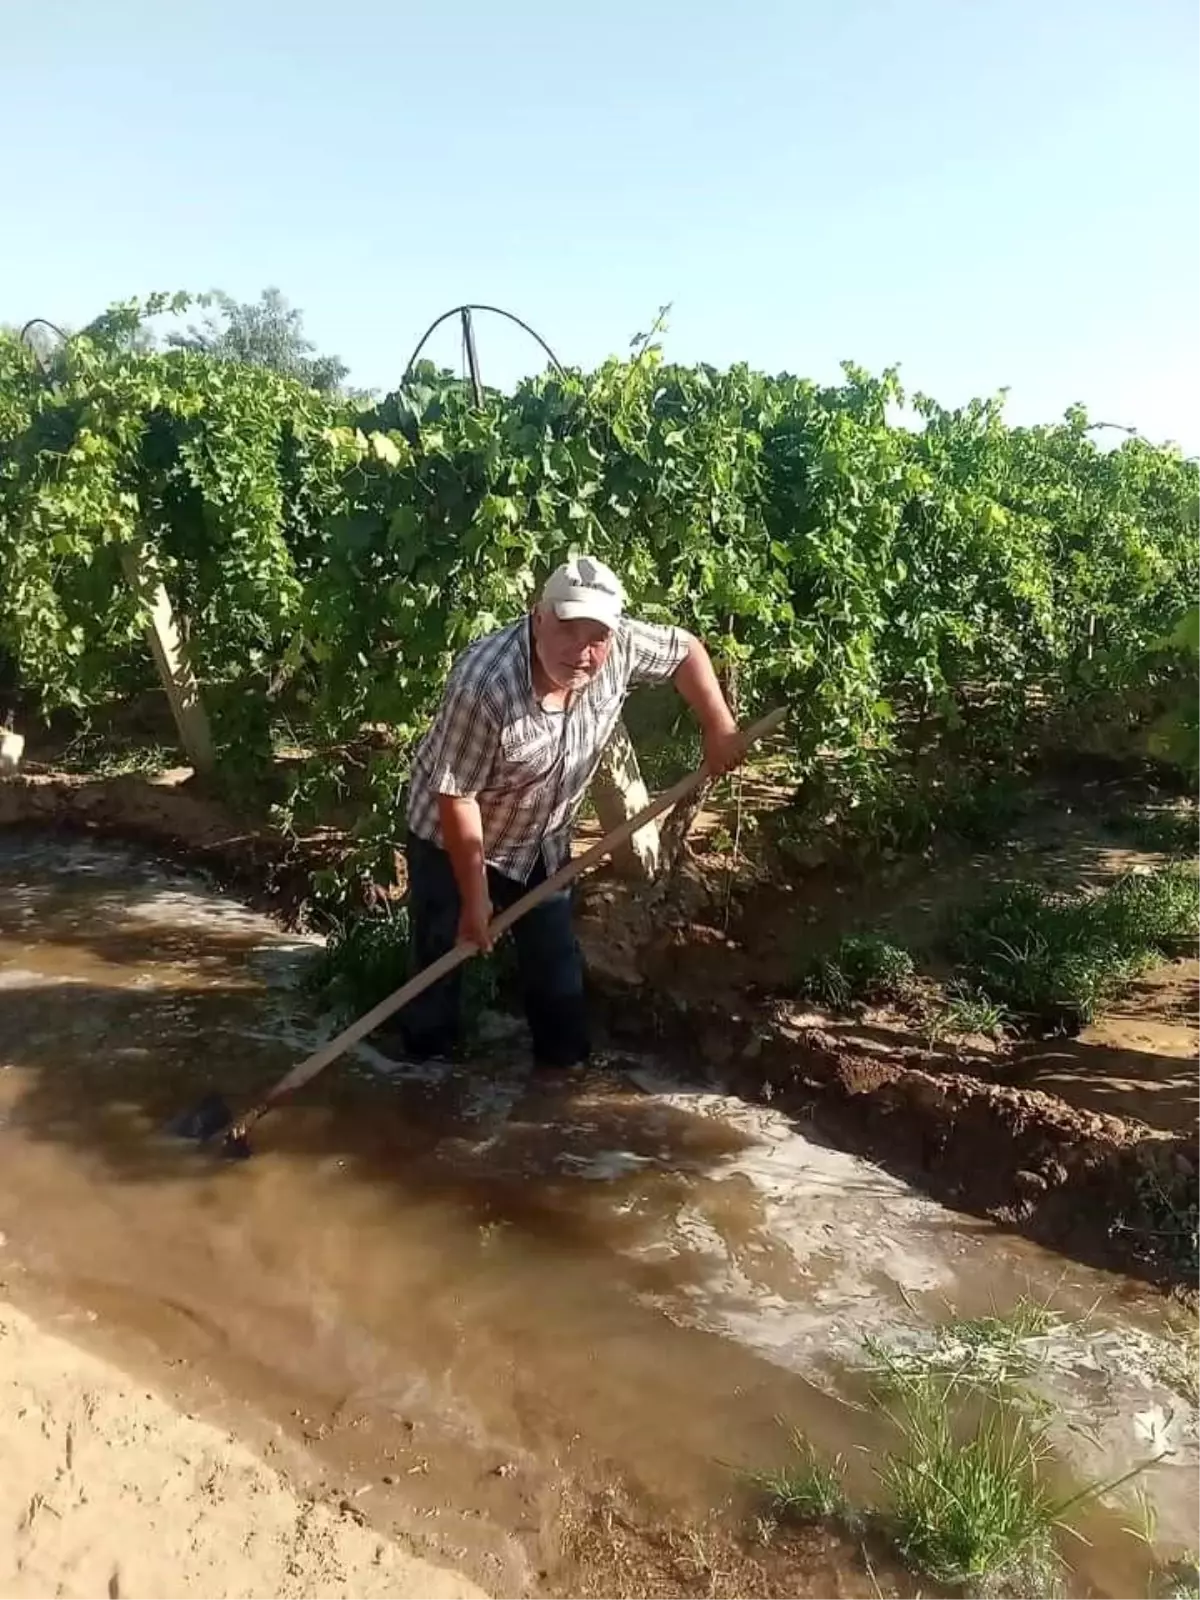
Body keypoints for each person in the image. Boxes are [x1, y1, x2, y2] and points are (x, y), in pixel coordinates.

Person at [398, 555, 743, 1070]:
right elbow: (457, 796)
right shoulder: (484, 683)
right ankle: (423, 1083)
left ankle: (561, 1081)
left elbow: (685, 650)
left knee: (555, 971)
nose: (581, 651)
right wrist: (476, 899)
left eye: (595, 636)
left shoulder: (620, 646)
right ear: (538, 616)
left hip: (542, 842)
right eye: (566, 628)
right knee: (440, 965)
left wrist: (719, 726)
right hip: (452, 843)